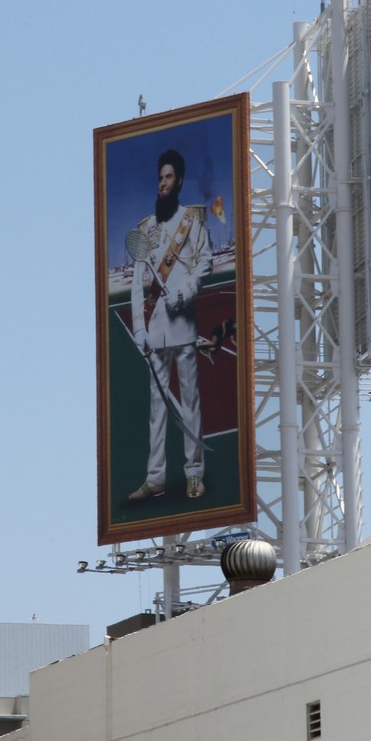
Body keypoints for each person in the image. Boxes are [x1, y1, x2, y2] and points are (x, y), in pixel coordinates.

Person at [128, 148, 211, 502]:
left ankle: (194, 474)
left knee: (190, 402)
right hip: (155, 330)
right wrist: (139, 329)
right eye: (160, 178)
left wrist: (184, 293)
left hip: (183, 325)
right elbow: (137, 285)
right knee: (157, 408)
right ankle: (155, 478)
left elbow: (205, 263)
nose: (162, 183)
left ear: (179, 181)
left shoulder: (191, 222)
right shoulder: (146, 229)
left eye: (168, 177)